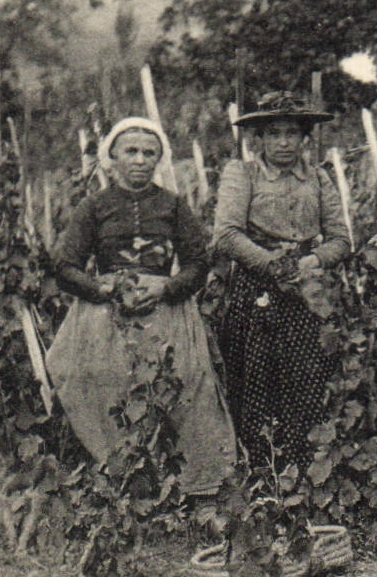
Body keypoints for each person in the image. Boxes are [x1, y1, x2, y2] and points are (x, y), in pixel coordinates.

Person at [45, 117, 237, 502]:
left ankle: (190, 487)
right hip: (106, 312)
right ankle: (118, 475)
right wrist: (103, 288)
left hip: (166, 308)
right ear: (112, 157)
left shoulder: (173, 206)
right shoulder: (95, 207)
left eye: (150, 153)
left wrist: (168, 285)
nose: (140, 160)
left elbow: (199, 264)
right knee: (89, 372)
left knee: (188, 376)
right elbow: (64, 266)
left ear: (160, 159)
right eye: (130, 151)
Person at [212, 91, 350, 463]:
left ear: (305, 137)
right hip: (258, 289)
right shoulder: (242, 174)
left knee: (306, 377)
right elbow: (226, 234)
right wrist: (273, 265)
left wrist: (312, 261)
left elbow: (341, 239)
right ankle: (261, 466)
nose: (284, 142)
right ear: (259, 138)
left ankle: (304, 466)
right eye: (274, 134)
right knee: (258, 379)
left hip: (307, 291)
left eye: (292, 133)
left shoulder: (318, 178)